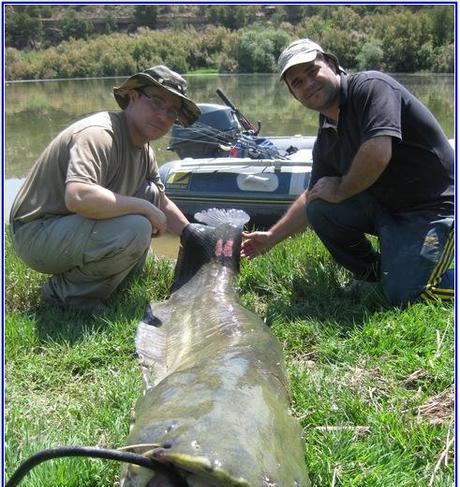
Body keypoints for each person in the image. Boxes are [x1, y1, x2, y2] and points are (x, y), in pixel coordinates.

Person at [242, 39, 454, 306]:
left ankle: (417, 274)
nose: (307, 84)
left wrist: (341, 188)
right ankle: (373, 274)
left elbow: (377, 152)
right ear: (294, 94)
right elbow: (313, 195)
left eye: (311, 71)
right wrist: (271, 238)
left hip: (436, 209)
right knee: (320, 205)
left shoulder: (371, 87)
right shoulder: (327, 134)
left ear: (331, 63)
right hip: (391, 212)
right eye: (297, 83)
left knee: (409, 295)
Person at [9, 65, 201, 313]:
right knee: (138, 224)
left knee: (151, 195)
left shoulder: (145, 150)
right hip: (36, 233)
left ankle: (114, 277)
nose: (163, 115)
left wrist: (193, 235)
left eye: (172, 110)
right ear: (132, 97)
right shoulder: (100, 134)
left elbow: (160, 202)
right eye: (156, 102)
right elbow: (78, 197)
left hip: (69, 227)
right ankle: (66, 295)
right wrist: (143, 208)